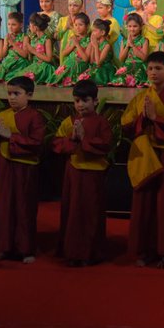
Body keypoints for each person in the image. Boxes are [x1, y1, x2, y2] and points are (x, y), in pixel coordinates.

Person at [122, 51, 164, 268]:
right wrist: (143, 119)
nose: (153, 73)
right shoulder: (141, 97)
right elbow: (127, 125)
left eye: (158, 69)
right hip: (147, 154)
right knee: (145, 203)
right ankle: (145, 250)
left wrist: (155, 118)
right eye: (150, 68)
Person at [0, 76, 46, 263]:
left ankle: (25, 249)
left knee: (24, 207)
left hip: (24, 169)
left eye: (17, 94)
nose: (12, 98)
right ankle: (3, 246)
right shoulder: (2, 116)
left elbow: (37, 143)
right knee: (4, 206)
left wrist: (11, 136)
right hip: (4, 167)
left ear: (30, 95)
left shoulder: (34, 117)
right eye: (9, 94)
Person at [51, 79, 113, 266]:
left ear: (95, 101)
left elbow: (106, 145)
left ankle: (90, 253)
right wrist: (72, 139)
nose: (81, 105)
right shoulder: (69, 122)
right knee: (72, 212)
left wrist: (84, 139)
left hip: (93, 174)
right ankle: (71, 251)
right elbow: (57, 143)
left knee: (90, 212)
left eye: (85, 100)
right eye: (77, 101)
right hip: (74, 172)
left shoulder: (101, 123)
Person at [0, 12, 29, 82]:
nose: (10, 27)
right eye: (8, 24)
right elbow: (3, 55)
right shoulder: (7, 37)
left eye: (13, 25)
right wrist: (6, 43)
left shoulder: (25, 37)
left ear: (21, 25)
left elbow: (24, 55)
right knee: (4, 65)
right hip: (9, 60)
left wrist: (13, 43)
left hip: (20, 61)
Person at [21, 13, 56, 84]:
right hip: (35, 65)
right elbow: (30, 56)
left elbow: (49, 59)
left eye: (30, 25)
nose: (29, 27)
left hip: (44, 66)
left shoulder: (47, 40)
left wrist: (33, 51)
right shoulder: (33, 38)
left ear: (35, 27)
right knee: (18, 78)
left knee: (24, 80)